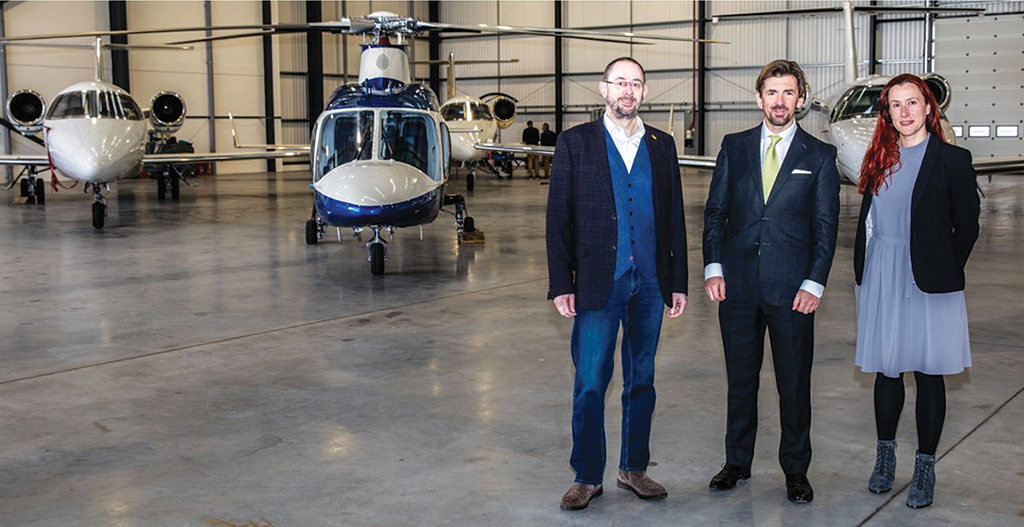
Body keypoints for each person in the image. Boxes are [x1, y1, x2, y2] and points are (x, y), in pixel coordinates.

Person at [547, 56, 688, 511]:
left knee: (641, 378)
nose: (628, 90)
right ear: (603, 89)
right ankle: (587, 475)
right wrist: (560, 282)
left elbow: (675, 219)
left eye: (636, 83)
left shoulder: (662, 145)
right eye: (619, 82)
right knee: (590, 380)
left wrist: (677, 280)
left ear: (645, 92)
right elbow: (558, 219)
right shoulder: (575, 143)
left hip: (649, 281)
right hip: (595, 281)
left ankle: (634, 468)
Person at [702, 60, 840, 504]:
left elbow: (825, 227)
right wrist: (713, 266)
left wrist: (814, 282)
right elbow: (716, 212)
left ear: (801, 99)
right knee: (740, 381)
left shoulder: (818, 156)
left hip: (792, 291)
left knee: (793, 384)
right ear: (758, 97)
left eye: (788, 93)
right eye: (771, 93)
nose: (780, 102)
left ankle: (796, 470)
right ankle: (737, 462)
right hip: (737, 286)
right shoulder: (734, 146)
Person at [853, 73, 979, 509]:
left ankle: (925, 467)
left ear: (929, 108)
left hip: (930, 279)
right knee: (888, 372)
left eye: (912, 103)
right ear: (886, 114)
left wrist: (943, 266)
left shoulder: (953, 159)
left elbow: (968, 225)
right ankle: (885, 459)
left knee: (929, 374)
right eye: (895, 105)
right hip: (883, 274)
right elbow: (869, 222)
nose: (904, 112)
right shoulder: (878, 160)